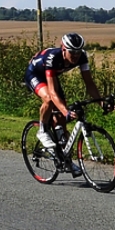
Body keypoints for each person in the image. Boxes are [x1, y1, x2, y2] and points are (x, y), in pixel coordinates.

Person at [24, 33, 104, 172]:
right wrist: (66, 111)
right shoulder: (53, 58)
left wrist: (101, 102)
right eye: (72, 52)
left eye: (78, 52)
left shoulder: (82, 57)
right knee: (49, 99)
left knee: (61, 122)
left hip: (52, 76)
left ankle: (65, 160)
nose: (75, 56)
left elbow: (89, 84)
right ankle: (42, 130)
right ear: (63, 49)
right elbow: (53, 93)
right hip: (35, 74)